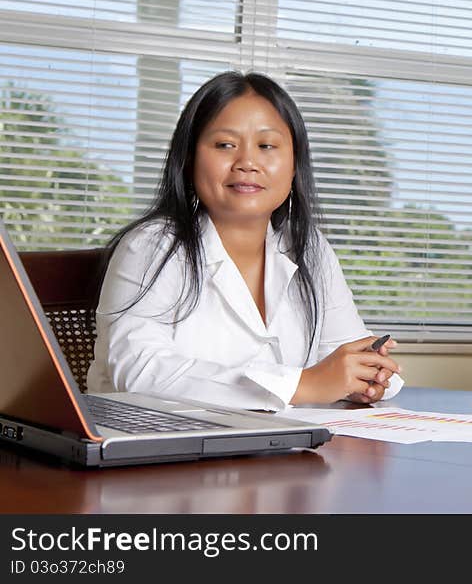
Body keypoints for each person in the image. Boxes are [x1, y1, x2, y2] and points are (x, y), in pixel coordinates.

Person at [87, 71, 403, 411]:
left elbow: (345, 350)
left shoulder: (309, 249)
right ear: (190, 158)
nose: (247, 163)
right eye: (225, 145)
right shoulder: (153, 246)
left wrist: (363, 378)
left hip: (278, 449)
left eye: (267, 146)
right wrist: (304, 384)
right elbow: (138, 370)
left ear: (295, 164)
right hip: (153, 451)